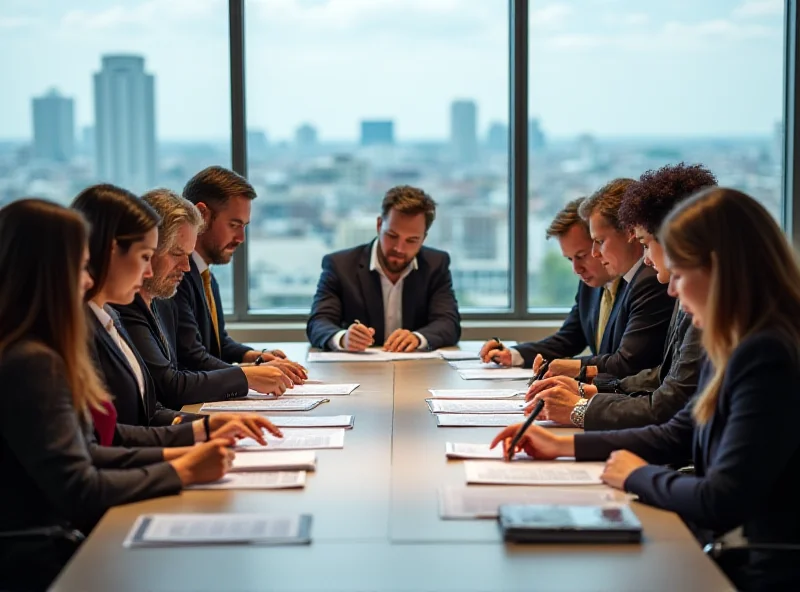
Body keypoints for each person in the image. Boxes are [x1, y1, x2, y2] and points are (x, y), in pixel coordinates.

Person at [492, 187, 800, 590]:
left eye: (681, 275)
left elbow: (722, 499)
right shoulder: (731, 342)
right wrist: (562, 446)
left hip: (755, 568)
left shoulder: (767, 353)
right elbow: (680, 433)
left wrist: (636, 475)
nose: (671, 289)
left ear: (719, 270)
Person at [0, 199, 235, 591]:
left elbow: (90, 448)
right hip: (45, 561)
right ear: (48, 273)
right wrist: (184, 469)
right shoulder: (32, 361)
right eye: (79, 266)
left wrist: (192, 446)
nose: (88, 279)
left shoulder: (38, 348)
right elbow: (79, 485)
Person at [72, 184, 285, 438]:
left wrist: (205, 427)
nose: (186, 268)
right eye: (145, 256)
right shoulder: (114, 312)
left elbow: (149, 412)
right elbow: (165, 390)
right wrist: (188, 453)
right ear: (110, 253)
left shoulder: (125, 312)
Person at [524, 164, 714, 429]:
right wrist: (588, 390)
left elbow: (665, 405)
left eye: (646, 244)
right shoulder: (686, 295)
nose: (647, 258)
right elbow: (662, 377)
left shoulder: (676, 293)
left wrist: (579, 407)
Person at [481, 179, 674, 378]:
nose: (577, 269)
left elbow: (628, 363)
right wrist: (514, 354)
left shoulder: (649, 280)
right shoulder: (591, 285)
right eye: (570, 259)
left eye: (582, 255)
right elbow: (569, 338)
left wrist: (565, 367)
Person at [306, 185, 461, 352]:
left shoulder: (436, 264)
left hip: (416, 369)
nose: (399, 248)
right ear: (379, 225)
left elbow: (448, 323)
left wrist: (417, 338)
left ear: (424, 238)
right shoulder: (340, 265)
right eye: (392, 236)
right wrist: (344, 338)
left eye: (412, 240)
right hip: (358, 370)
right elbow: (319, 322)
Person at [176, 166, 297, 365]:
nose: (241, 238)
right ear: (201, 216)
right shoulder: (177, 277)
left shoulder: (206, 276)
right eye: (234, 225)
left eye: (244, 226)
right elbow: (193, 358)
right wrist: (250, 374)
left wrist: (256, 357)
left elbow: (218, 345)